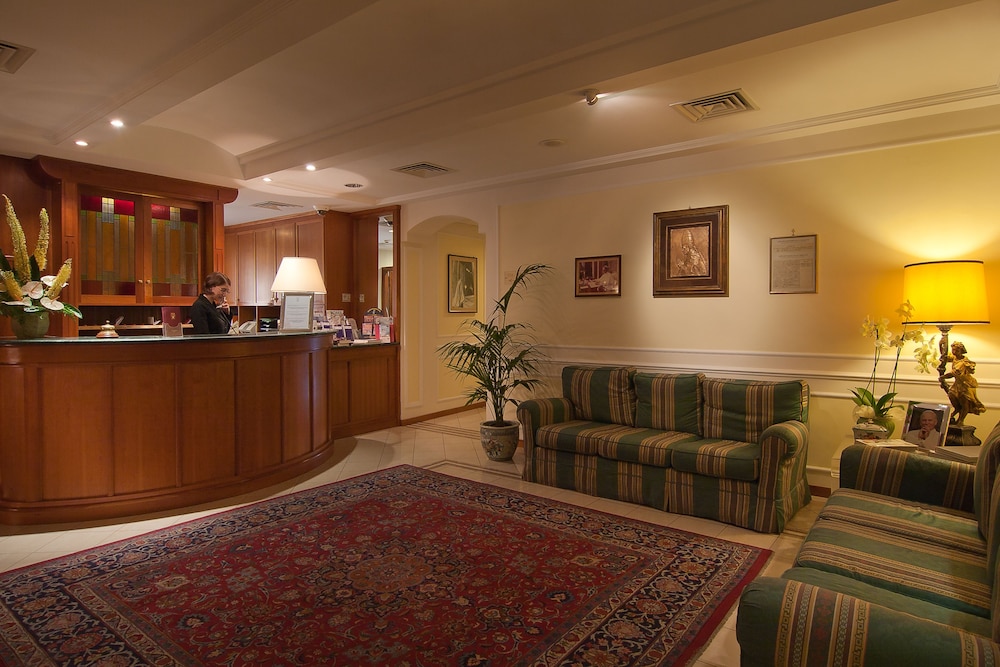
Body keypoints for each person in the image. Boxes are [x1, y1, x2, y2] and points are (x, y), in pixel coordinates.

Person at [940, 341, 986, 425]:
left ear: (961, 351)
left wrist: (943, 377)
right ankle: (956, 410)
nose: (954, 352)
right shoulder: (955, 358)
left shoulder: (963, 363)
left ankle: (961, 420)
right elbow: (944, 357)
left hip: (965, 385)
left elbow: (953, 373)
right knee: (952, 396)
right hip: (957, 384)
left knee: (964, 403)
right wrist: (941, 345)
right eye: (953, 350)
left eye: (956, 350)